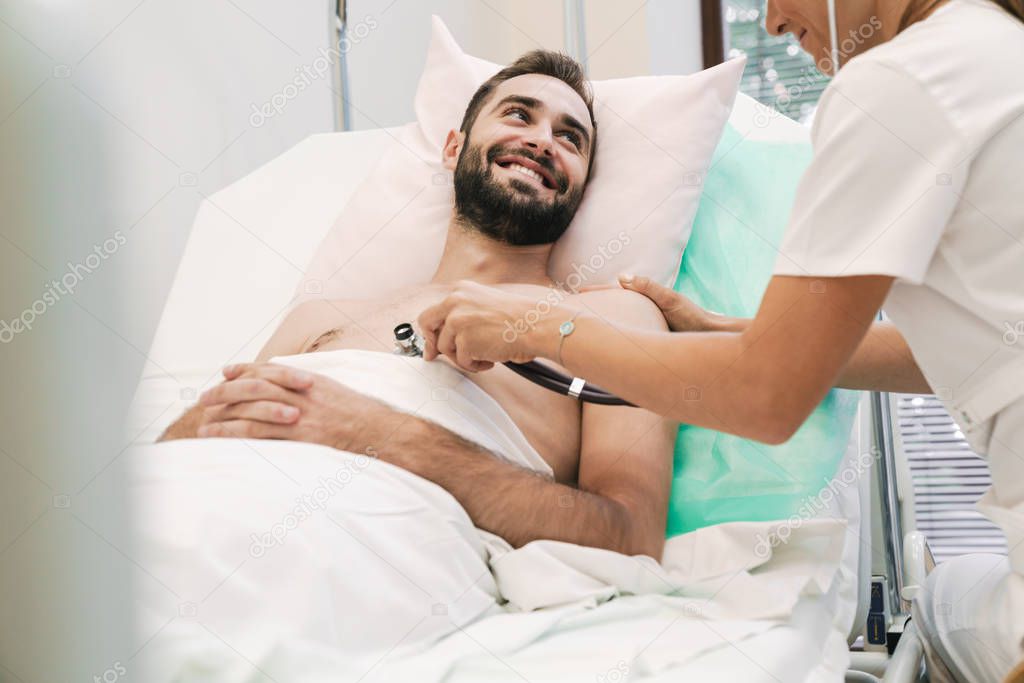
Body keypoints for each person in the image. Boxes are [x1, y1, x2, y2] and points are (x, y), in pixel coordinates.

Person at [416, 1, 1024, 681]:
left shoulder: (902, 84)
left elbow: (763, 398)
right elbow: (980, 341)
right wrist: (740, 332)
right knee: (945, 597)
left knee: (945, 616)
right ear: (452, 146)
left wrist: (543, 329)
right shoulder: (991, 49)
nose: (770, 23)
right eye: (518, 114)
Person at [158, 50, 677, 559]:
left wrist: (378, 433)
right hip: (189, 497)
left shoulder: (616, 318)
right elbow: (191, 439)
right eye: (519, 114)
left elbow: (631, 538)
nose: (542, 141)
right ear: (454, 149)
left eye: (570, 139)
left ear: (582, 188)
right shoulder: (320, 317)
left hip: (361, 538)